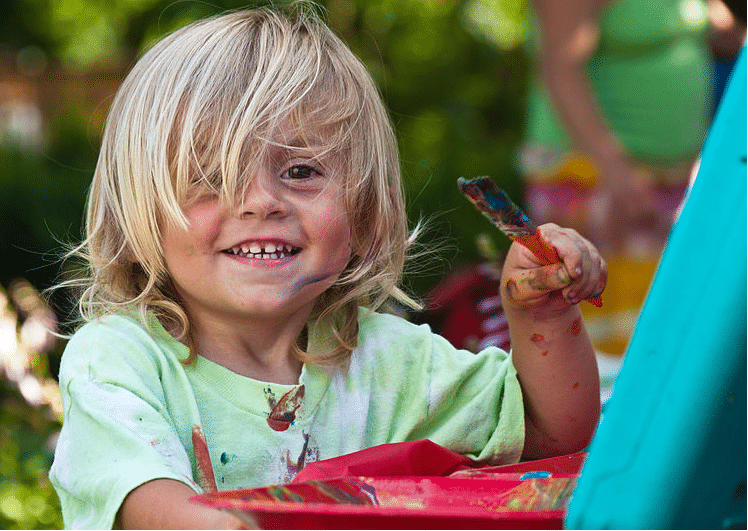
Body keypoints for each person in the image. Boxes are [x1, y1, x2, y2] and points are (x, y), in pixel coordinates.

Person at [49, 4, 606, 529]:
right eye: (212, 176)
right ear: (138, 211)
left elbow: (553, 434)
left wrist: (544, 321)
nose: (260, 201)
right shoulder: (121, 361)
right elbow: (152, 507)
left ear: (364, 212)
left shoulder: (389, 362)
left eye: (300, 171)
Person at [518, 0, 713, 354]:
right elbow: (559, 68)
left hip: (668, 177)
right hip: (592, 178)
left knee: (662, 334)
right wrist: (615, 170)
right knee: (604, 347)